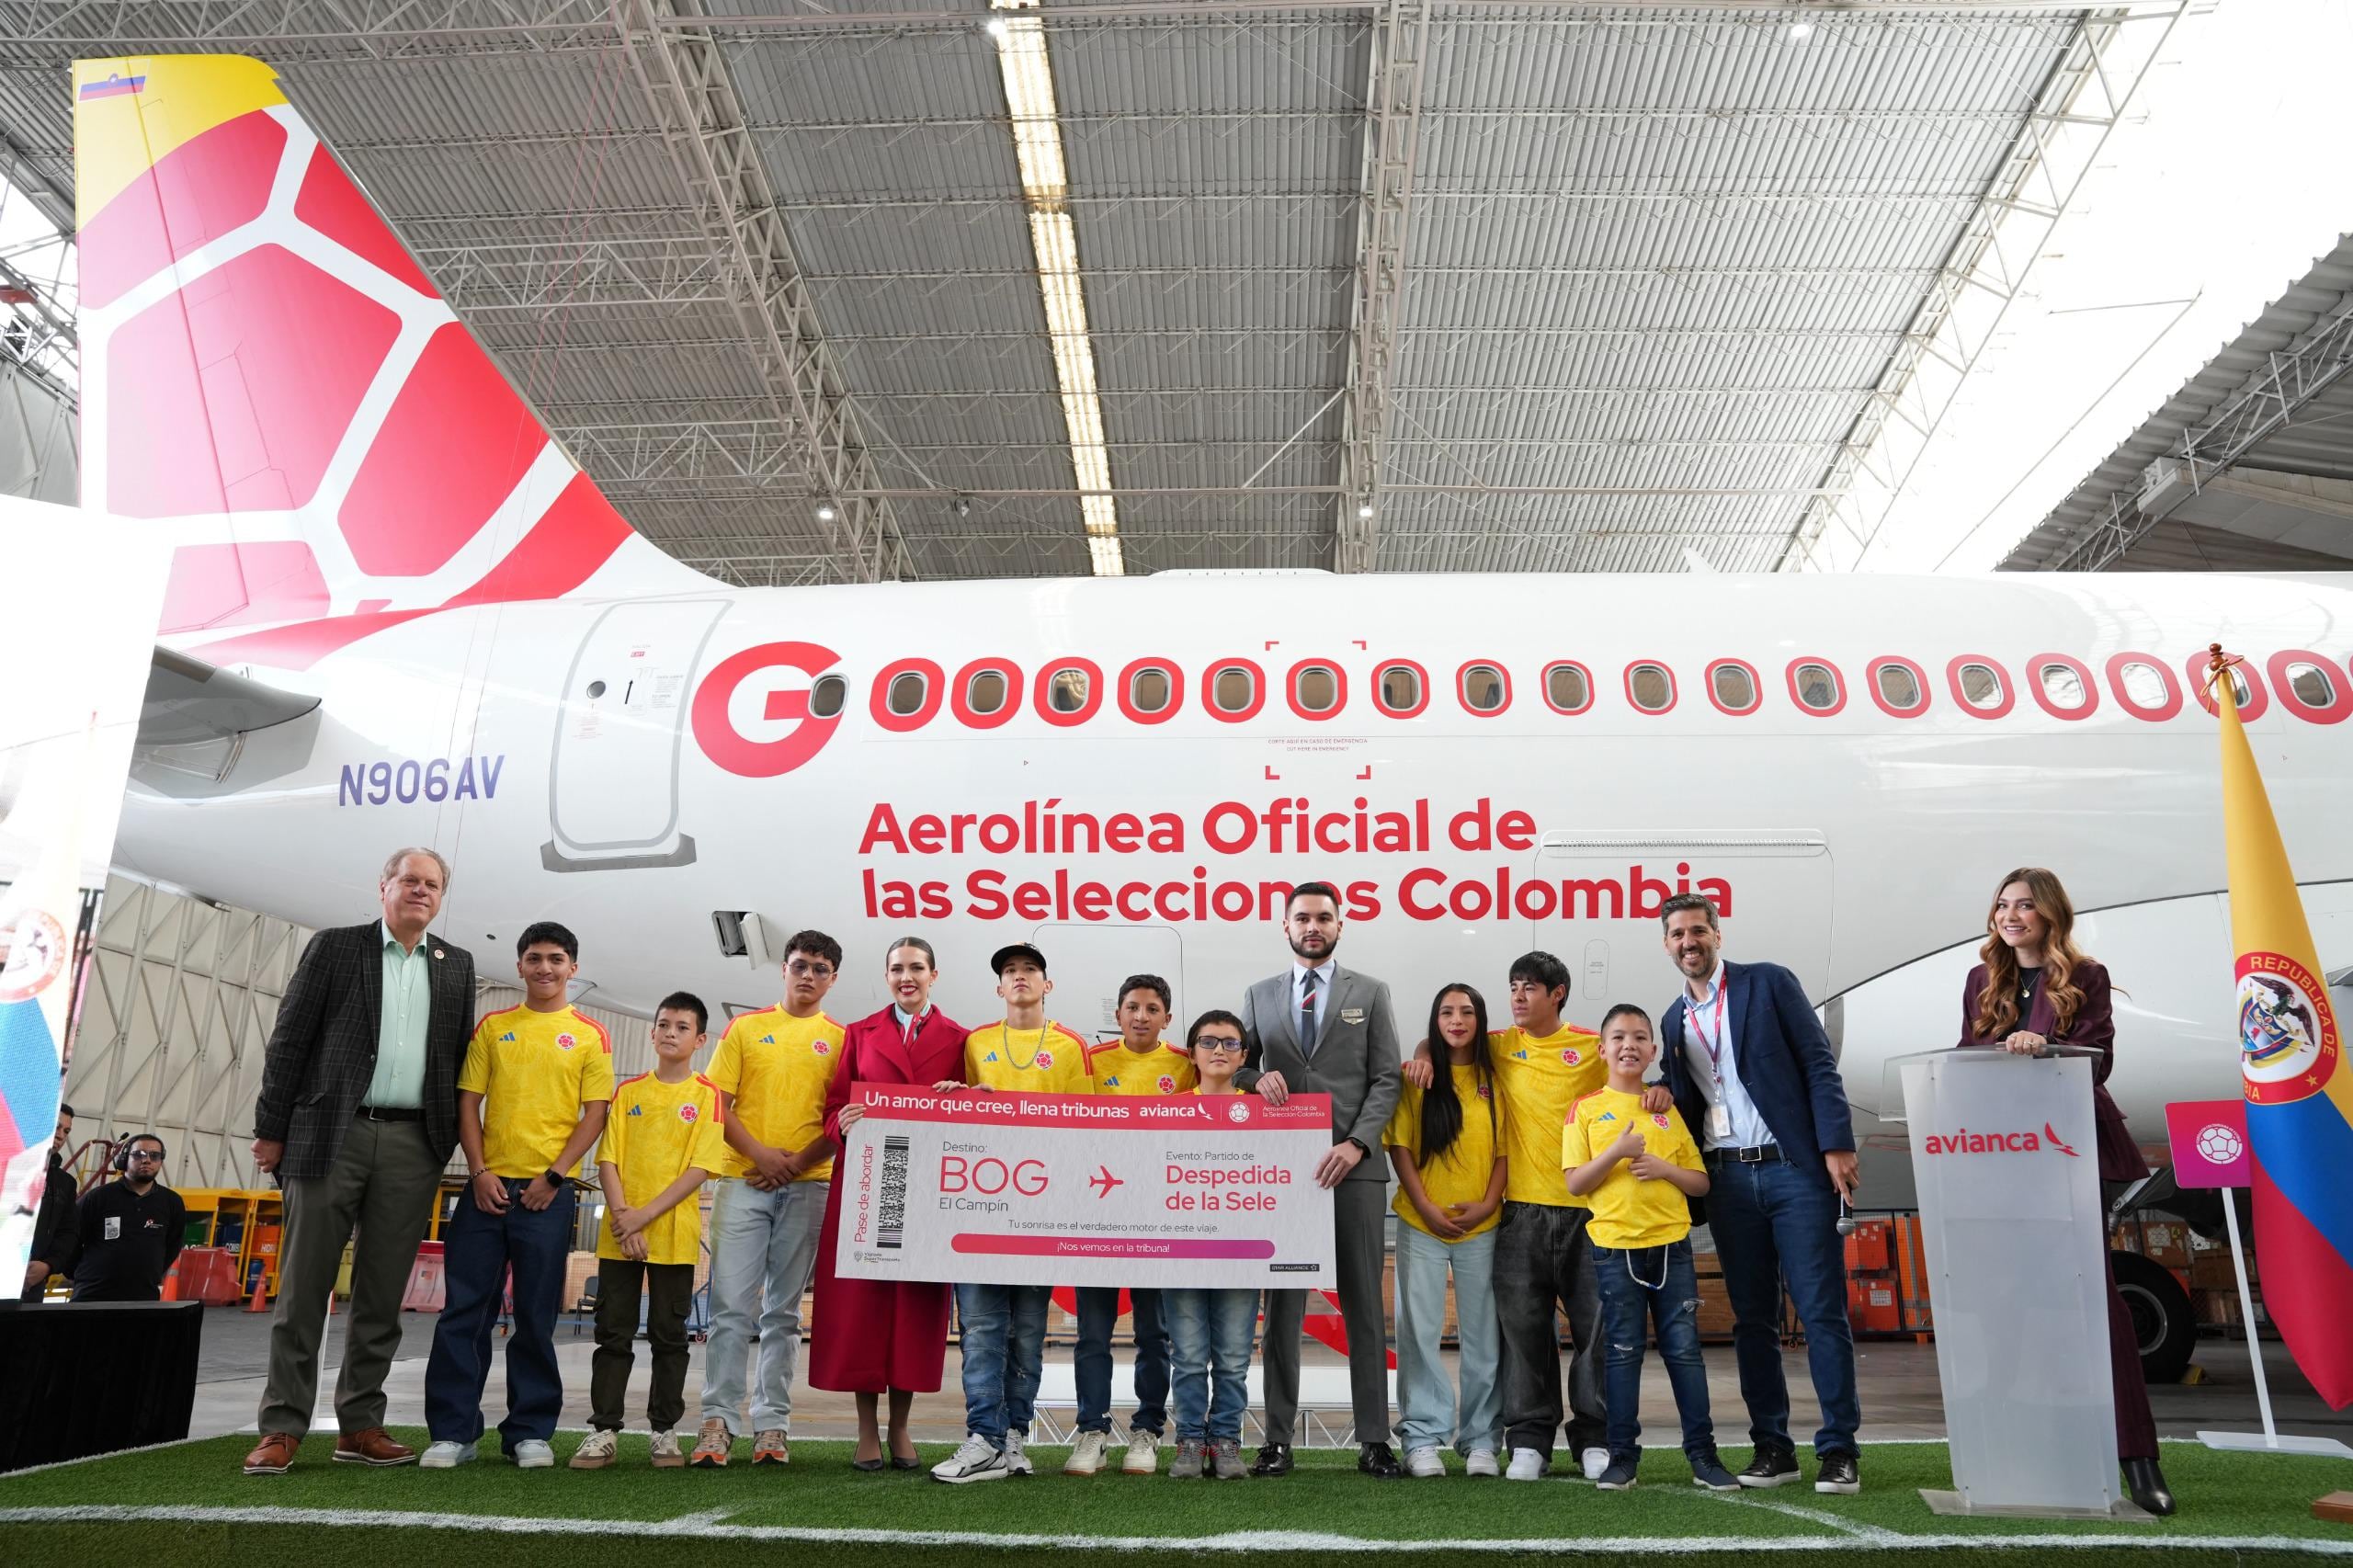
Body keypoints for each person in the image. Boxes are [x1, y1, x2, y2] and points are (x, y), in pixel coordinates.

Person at [244, 848, 476, 1477]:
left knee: (380, 1297)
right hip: (330, 1135)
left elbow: (457, 1060)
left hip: (412, 1145)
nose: (420, 892)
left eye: (431, 885)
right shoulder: (336, 948)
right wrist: (271, 1128)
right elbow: (289, 1039)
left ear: (440, 896)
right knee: (302, 1289)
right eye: (410, 881)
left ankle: (360, 1424)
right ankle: (283, 1426)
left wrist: (445, 1141)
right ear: (384, 887)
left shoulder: (456, 967)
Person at [1958, 867, 2173, 1517]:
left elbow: (2099, 1056)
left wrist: (2044, 1046)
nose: (2010, 915)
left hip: (2072, 1146)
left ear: (2050, 914)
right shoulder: (1980, 980)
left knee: (2095, 1300)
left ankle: (2139, 1459)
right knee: (2006, 1297)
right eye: (2002, 905)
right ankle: (2013, 1448)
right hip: (2004, 1154)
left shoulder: (2086, 975)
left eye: (2024, 905)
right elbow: (1966, 1053)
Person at [1648, 892, 1861, 1494]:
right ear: (1666, 944)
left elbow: (1819, 1063)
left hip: (1794, 1171)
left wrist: (1836, 1143)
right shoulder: (1673, 1021)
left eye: (1697, 931)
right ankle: (1774, 1447)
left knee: (1820, 1312)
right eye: (1677, 935)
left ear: (1717, 934)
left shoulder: (1768, 985)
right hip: (1729, 1181)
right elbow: (1689, 1097)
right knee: (1753, 1321)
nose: (1688, 942)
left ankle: (1840, 1449)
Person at [422, 923, 614, 1470]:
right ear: (520, 966)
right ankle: (453, 1433)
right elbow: (468, 1103)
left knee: (535, 1316)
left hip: (547, 1195)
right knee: (464, 1313)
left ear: (573, 968)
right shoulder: (494, 1026)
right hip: (485, 1189)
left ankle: (529, 1431)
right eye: (534, 959)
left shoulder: (590, 1035)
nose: (545, 968)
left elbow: (594, 1113)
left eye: (556, 959)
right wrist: (478, 1172)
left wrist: (553, 1178)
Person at [1235, 881, 1403, 1479]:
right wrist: (1253, 1078)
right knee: (1280, 1311)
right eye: (1302, 918)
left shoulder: (1372, 993)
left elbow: (1387, 1078)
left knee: (1362, 1307)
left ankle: (1375, 1439)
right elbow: (1238, 1063)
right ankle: (1277, 1438)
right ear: (1285, 926)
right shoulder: (1259, 994)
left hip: (1352, 1172)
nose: (1313, 926)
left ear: (1339, 925)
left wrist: (1357, 1144)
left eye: (1323, 918)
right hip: (1283, 1176)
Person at [931, 942, 1095, 1484]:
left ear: (1047, 985)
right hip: (980, 1206)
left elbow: (1087, 1126)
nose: (1019, 978)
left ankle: (1015, 1438)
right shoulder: (975, 1042)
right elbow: (950, 1108)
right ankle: (983, 1437)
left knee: (1026, 1331)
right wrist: (956, 1094)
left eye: (1029, 971)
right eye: (1009, 972)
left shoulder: (1071, 1047)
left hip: (1042, 1209)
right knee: (979, 1326)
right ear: (999, 988)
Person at [1564, 1005, 1737, 1493]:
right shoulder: (1586, 1110)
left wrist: (1663, 1170)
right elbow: (1576, 1183)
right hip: (1615, 1249)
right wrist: (1616, 1153)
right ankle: (1622, 1457)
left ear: (1653, 1051)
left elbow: (1700, 1183)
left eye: (1640, 1037)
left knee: (1684, 1353)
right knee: (1622, 1353)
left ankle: (1703, 1457)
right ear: (1602, 1050)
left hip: (1672, 1248)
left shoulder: (1665, 1111)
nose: (1629, 1045)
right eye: (1618, 1037)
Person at [810, 937, 966, 1471]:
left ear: (933, 974)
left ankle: (901, 1427)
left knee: (913, 1311)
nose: (907, 977)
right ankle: (865, 1431)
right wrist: (842, 1124)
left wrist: (960, 1100)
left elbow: (976, 1116)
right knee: (865, 1308)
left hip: (926, 1191)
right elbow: (833, 1108)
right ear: (886, 976)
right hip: (868, 1185)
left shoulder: (959, 1039)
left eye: (917, 968)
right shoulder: (859, 1034)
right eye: (897, 968)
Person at [691, 932, 847, 1469]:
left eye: (820, 969)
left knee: (782, 1313)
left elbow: (841, 1120)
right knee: (731, 1308)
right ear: (783, 969)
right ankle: (717, 1422)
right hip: (743, 1182)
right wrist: (761, 1157)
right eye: (800, 965)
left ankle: (772, 1425)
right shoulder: (746, 1029)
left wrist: (796, 1164)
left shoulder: (841, 1039)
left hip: (809, 1185)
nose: (808, 976)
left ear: (833, 979)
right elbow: (717, 1104)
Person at [574, 992, 727, 1471]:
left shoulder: (707, 1097)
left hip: (674, 1240)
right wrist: (623, 1217)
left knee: (670, 1336)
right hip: (620, 1237)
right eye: (664, 1024)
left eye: (683, 1027)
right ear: (651, 1031)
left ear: (700, 1040)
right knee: (612, 1334)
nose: (671, 1033)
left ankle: (664, 1432)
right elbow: (608, 1158)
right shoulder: (628, 1092)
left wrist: (643, 1217)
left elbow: (700, 1168)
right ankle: (603, 1431)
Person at [1066, 972, 1190, 1476]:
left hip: (1158, 1219)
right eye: (1132, 1007)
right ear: (1117, 1015)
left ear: (1167, 1017)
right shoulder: (1090, 1063)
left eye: (1152, 1008)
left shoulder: (1184, 1066)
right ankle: (1092, 1430)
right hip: (1098, 1215)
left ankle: (1147, 1430)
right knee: (1092, 1333)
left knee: (1154, 1334)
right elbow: (1069, 1129)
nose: (1141, 1016)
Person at [1384, 984, 1506, 1479]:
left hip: (1484, 1225)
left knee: (1484, 1337)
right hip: (1422, 1223)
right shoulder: (1417, 1077)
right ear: (1434, 1019)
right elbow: (1401, 1150)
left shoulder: (1496, 1076)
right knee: (1419, 1332)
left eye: (1467, 1011)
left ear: (1481, 1019)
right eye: (1447, 1011)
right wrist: (1426, 1207)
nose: (1457, 1020)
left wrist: (1487, 1204)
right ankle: (1422, 1436)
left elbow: (1504, 1153)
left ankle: (1481, 1441)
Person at [1163, 1009, 1260, 1482]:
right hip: (1180, 1257)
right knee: (1186, 1355)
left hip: (1242, 1258)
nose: (1219, 1050)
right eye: (1208, 1041)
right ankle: (1187, 1443)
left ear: (1244, 1055)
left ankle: (1226, 1442)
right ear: (1191, 1053)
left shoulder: (1262, 1111)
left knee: (1234, 1358)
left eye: (1229, 1043)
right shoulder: (1169, 1110)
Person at [69, 1132, 184, 1301]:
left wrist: (148, 1273)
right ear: (124, 1159)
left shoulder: (172, 1202)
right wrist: (79, 1273)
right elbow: (71, 1238)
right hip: (92, 1296)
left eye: (154, 1156)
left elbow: (173, 1245)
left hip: (143, 1297)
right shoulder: (97, 1198)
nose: (147, 1160)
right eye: (139, 1154)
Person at [19, 1102, 75, 1300]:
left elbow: (68, 1232)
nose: (61, 1135)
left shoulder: (65, 1183)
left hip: (33, 1283)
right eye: (56, 1126)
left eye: (66, 1131)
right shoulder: (7, 1165)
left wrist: (48, 1265)